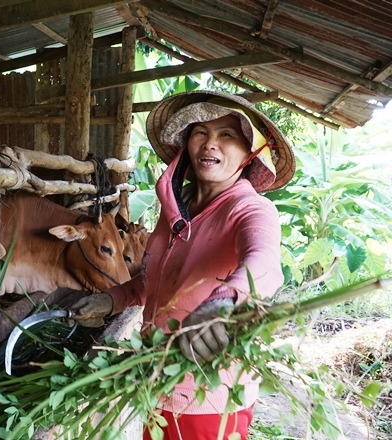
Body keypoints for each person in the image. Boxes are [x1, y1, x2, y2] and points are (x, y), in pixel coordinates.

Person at [70, 90, 296, 440]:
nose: (210, 144)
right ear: (186, 142)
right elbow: (157, 279)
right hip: (157, 381)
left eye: (227, 135)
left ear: (250, 154)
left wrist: (224, 303)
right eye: (200, 132)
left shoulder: (251, 210)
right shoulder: (177, 207)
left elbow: (263, 264)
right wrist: (112, 298)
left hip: (208, 397)